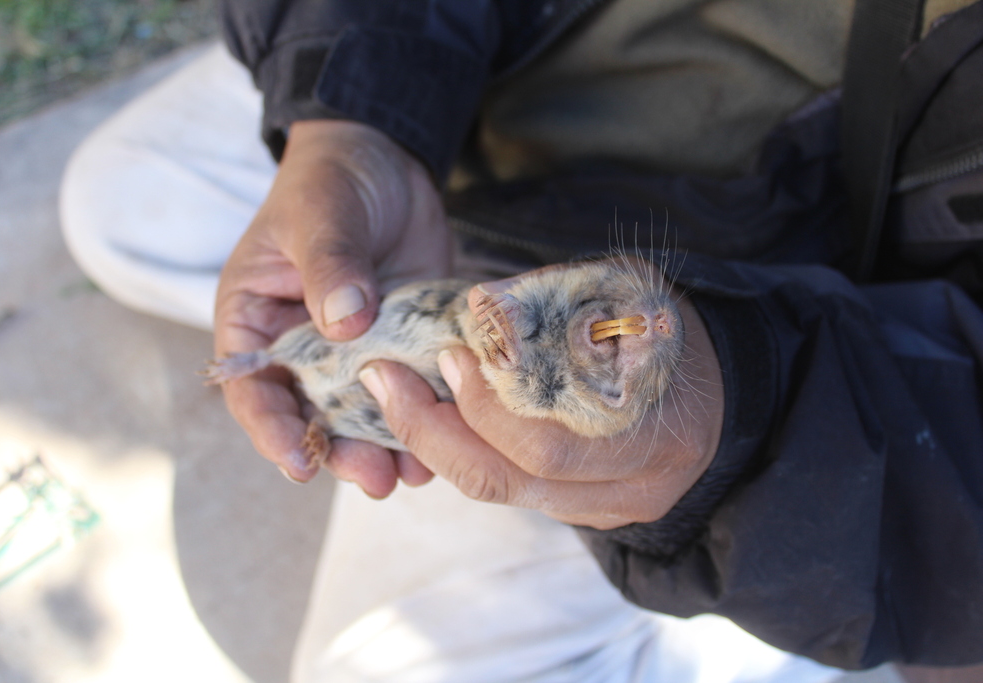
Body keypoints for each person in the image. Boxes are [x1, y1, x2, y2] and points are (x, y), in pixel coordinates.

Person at [60, 0, 983, 680]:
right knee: (117, 199)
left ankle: (716, 610)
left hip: (817, 353)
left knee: (379, 669)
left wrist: (742, 431)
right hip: (488, 115)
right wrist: (356, 121)